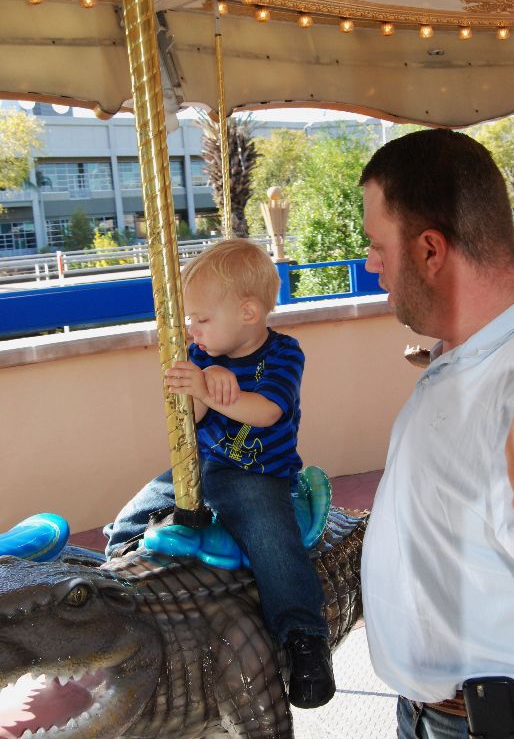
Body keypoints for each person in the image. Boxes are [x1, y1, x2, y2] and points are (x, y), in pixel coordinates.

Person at [104, 238, 335, 710]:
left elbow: (267, 411)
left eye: (202, 319)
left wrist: (211, 391)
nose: (192, 329)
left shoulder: (284, 354)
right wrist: (196, 386)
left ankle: (304, 636)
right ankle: (111, 584)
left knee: (272, 541)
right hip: (203, 465)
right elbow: (190, 420)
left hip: (258, 476)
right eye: (190, 320)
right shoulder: (200, 354)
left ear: (248, 313)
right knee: (134, 513)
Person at [359, 129, 514, 739]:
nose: (371, 264)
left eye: (378, 247)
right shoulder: (466, 348)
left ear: (430, 250)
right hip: (433, 715)